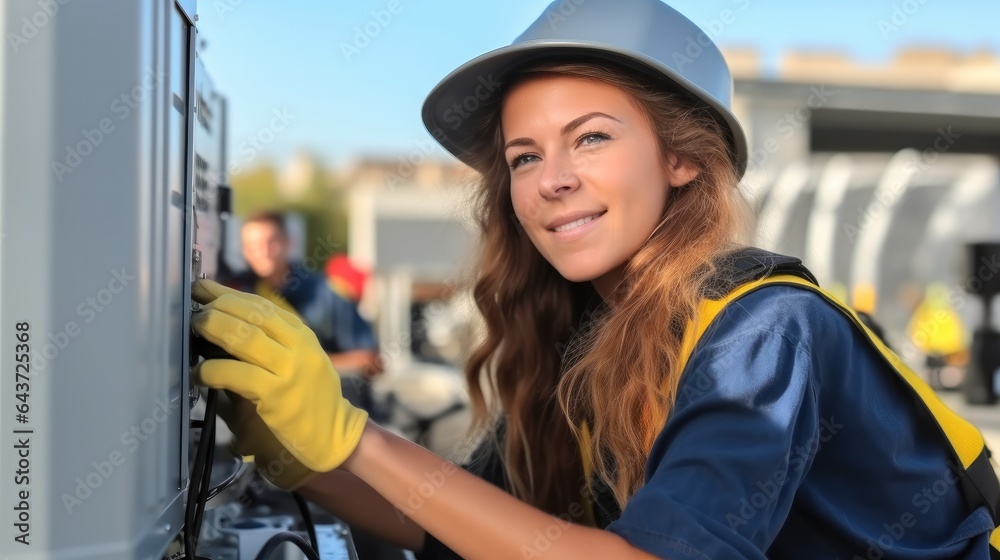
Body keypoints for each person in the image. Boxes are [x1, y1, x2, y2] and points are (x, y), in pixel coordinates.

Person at [190, 1, 996, 558]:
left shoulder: (765, 331)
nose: (553, 180)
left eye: (593, 138)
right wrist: (301, 456)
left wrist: (356, 435)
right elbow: (458, 526)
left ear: (682, 159)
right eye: (525, 157)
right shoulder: (582, 342)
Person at [228, 211, 383, 403]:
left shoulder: (327, 292)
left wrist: (305, 364)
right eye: (252, 245)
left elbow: (372, 361)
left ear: (288, 242)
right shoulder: (236, 291)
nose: (263, 251)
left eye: (271, 241)